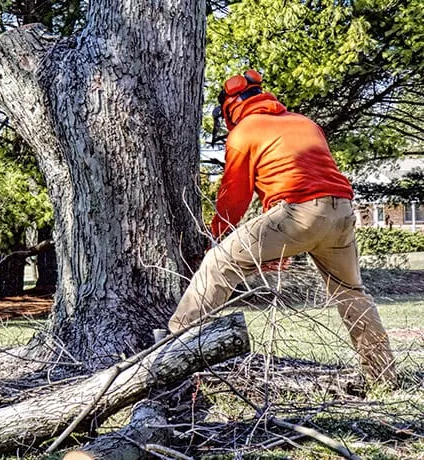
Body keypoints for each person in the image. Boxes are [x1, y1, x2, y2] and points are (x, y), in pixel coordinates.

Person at [168, 70, 397, 385]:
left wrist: (215, 239)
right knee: (350, 293)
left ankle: (168, 351)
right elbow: (295, 178)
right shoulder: (305, 124)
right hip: (342, 212)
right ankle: (382, 374)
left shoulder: (244, 131)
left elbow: (234, 198)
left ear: (230, 108)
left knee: (217, 264)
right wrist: (277, 247)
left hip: (298, 211)